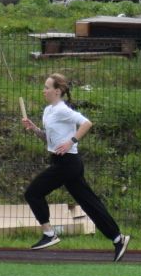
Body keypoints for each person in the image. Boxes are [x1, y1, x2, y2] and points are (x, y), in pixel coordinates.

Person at [19, 72, 129, 261]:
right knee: (89, 203)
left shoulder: (62, 109)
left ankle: (49, 234)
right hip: (62, 162)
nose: (43, 90)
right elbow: (50, 139)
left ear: (57, 91)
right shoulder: (48, 111)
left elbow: (87, 123)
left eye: (47, 87)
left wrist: (71, 141)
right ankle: (118, 238)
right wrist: (35, 129)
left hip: (67, 164)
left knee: (33, 193)